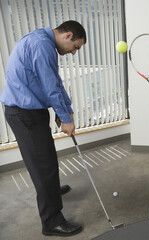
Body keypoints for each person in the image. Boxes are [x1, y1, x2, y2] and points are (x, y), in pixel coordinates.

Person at [0, 20, 86, 236]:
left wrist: (67, 109)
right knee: (43, 165)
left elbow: (54, 80)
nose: (74, 53)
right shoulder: (42, 45)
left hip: (29, 111)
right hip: (24, 114)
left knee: (45, 158)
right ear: (67, 35)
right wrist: (65, 119)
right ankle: (52, 221)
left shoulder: (43, 40)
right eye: (76, 47)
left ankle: (52, 192)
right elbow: (50, 88)